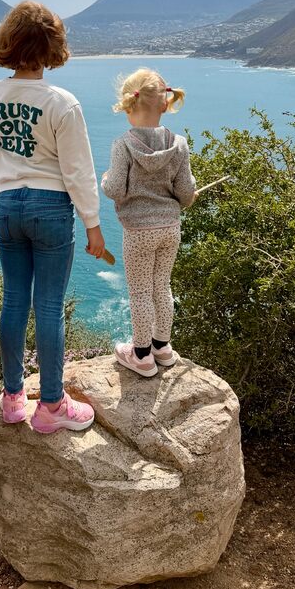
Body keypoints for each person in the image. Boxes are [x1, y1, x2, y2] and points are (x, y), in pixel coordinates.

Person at [0, 1, 105, 434]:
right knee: (47, 306)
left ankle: (12, 399)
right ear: (53, 46)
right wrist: (93, 224)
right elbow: (78, 170)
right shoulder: (61, 103)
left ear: (8, 40)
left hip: (8, 206)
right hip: (50, 208)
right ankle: (50, 406)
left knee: (14, 300)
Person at [101, 67, 197, 377]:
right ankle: (163, 347)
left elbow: (115, 189)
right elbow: (186, 193)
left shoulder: (123, 145)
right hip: (170, 229)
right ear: (165, 104)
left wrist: (104, 180)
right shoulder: (178, 144)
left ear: (129, 106)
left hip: (139, 232)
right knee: (162, 287)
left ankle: (141, 354)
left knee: (140, 293)